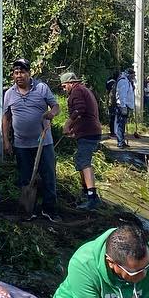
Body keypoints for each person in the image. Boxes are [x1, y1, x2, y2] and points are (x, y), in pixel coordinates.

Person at [2, 59, 58, 219]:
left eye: (22, 72)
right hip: (21, 144)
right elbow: (6, 118)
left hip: (43, 142)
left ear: (29, 73)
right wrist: (6, 141)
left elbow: (56, 106)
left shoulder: (41, 88)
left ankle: (49, 209)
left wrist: (52, 113)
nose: (19, 75)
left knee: (48, 175)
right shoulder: (9, 93)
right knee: (25, 177)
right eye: (16, 72)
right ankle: (28, 210)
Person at [60, 71, 103, 210]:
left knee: (84, 162)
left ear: (71, 83)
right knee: (79, 159)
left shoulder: (77, 91)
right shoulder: (83, 90)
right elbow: (84, 113)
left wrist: (68, 124)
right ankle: (86, 193)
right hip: (89, 131)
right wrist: (75, 129)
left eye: (64, 86)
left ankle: (92, 197)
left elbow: (79, 110)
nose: (63, 89)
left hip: (89, 132)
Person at [114, 68, 136, 148]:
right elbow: (122, 95)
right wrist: (123, 107)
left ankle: (122, 141)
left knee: (122, 125)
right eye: (132, 75)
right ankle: (120, 142)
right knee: (120, 124)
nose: (133, 77)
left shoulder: (128, 81)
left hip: (125, 106)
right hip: (122, 106)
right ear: (128, 74)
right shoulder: (123, 81)